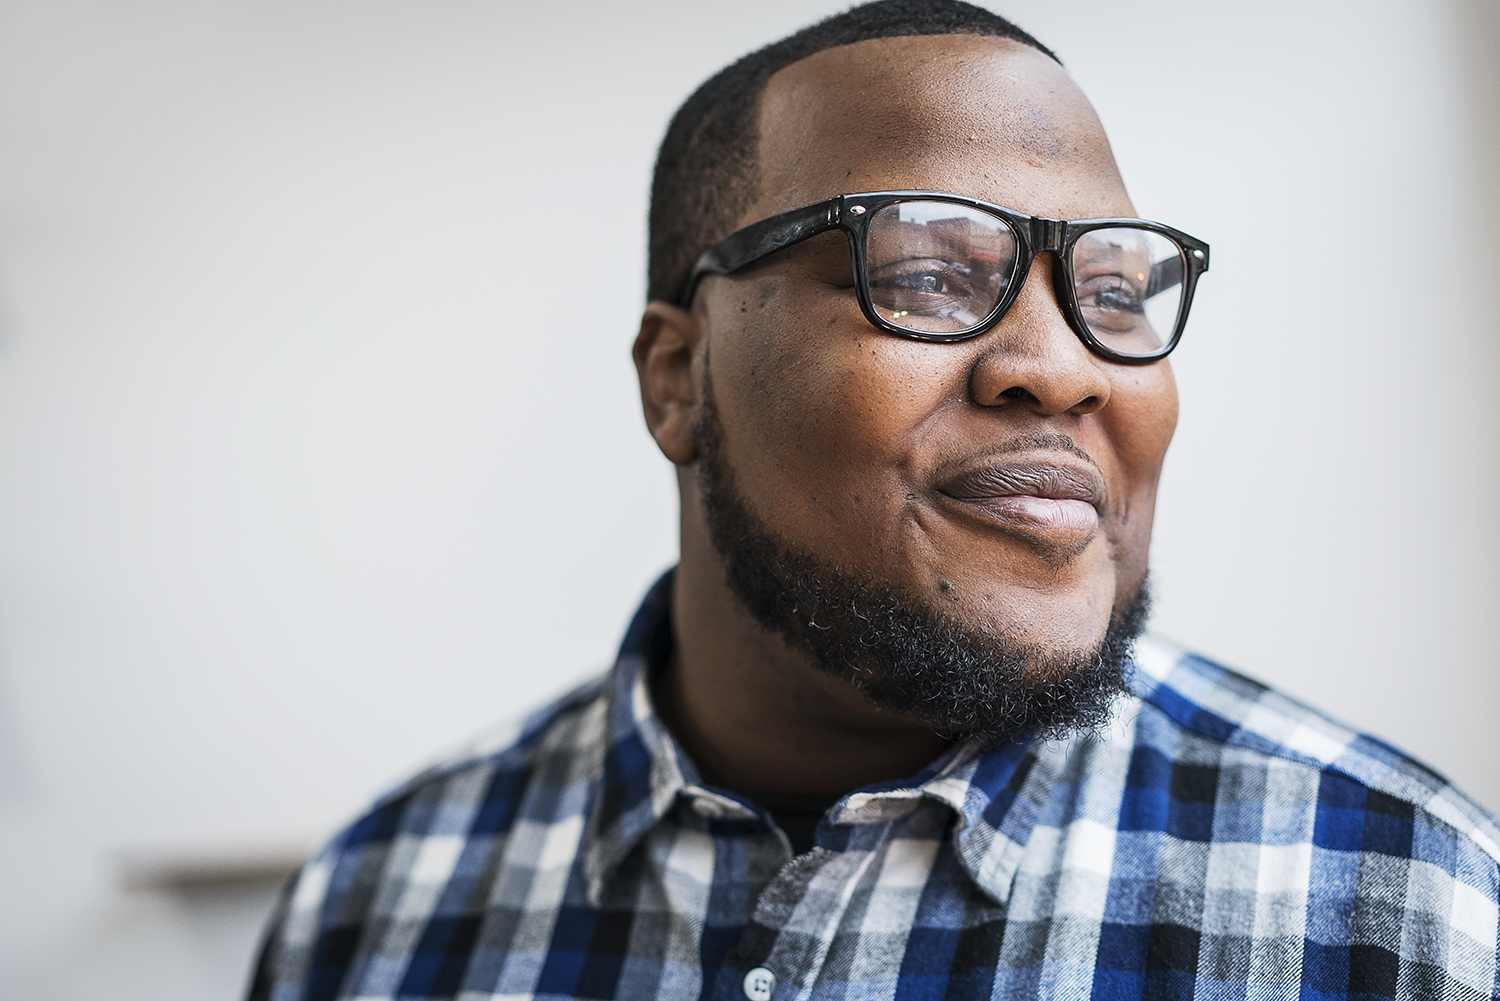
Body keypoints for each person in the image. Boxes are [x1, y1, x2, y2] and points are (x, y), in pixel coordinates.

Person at [247, 2, 1500, 998]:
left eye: (1114, 295)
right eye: (926, 270)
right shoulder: (369, 914)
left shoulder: (1402, 906)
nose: (1062, 365)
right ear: (679, 379)